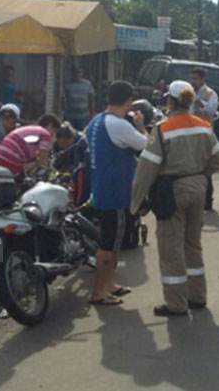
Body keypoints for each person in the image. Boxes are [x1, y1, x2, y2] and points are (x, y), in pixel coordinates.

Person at [131, 80, 219, 317]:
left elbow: (147, 168)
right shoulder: (203, 126)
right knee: (192, 245)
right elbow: (218, 158)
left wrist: (135, 202)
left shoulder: (162, 129)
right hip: (198, 189)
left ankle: (176, 303)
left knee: (171, 249)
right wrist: (202, 177)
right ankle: (197, 295)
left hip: (173, 192)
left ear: (171, 101)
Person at [87, 80, 147, 307]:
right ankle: (98, 292)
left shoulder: (96, 121)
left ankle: (109, 285)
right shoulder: (119, 125)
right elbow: (146, 146)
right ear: (129, 102)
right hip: (115, 192)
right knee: (109, 244)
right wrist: (141, 125)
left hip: (102, 188)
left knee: (113, 241)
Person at [0, 114, 61, 178]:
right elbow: (43, 160)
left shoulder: (32, 129)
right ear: (50, 125)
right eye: (54, 131)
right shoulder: (45, 134)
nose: (53, 136)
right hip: (11, 159)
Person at [189, 67, 219, 211]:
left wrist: (198, 101)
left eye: (195, 78)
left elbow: (211, 110)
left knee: (205, 169)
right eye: (191, 78)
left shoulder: (210, 94)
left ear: (202, 79)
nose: (192, 81)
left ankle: (208, 200)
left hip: (204, 136)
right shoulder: (187, 92)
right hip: (189, 135)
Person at [65, 67, 96, 131]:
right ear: (72, 74)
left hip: (83, 116)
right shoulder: (67, 84)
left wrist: (92, 114)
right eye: (75, 73)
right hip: (71, 115)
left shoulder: (87, 84)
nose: (77, 75)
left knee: (82, 134)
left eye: (79, 73)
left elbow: (91, 99)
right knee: (71, 133)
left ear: (82, 74)